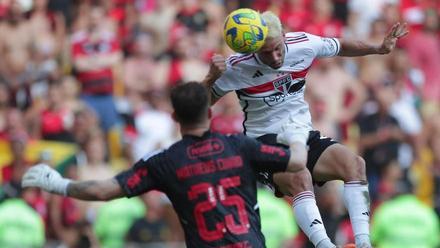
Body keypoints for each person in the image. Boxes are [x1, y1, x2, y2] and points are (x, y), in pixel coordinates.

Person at [203, 10, 408, 248]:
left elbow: (341, 46)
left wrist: (378, 48)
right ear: (253, 49)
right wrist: (210, 78)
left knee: (355, 165)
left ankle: (363, 244)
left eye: (278, 47)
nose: (276, 56)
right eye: (266, 52)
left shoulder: (302, 44)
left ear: (284, 36)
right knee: (301, 176)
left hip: (302, 133)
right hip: (263, 143)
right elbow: (196, 105)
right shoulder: (236, 68)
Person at [22, 82, 304, 248]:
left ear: (173, 117)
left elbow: (102, 192)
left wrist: (58, 184)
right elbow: (296, 161)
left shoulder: (166, 162)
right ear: (209, 112)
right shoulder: (239, 145)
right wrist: (297, 133)